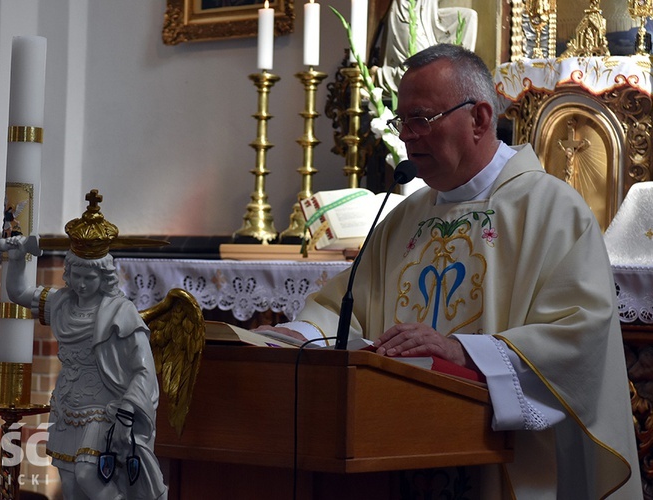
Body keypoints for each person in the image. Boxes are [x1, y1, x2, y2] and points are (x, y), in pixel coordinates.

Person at [263, 44, 642, 498]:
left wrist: (462, 351)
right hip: (394, 452)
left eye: (421, 119)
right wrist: (299, 336)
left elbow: (580, 334)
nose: (408, 136)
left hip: (505, 461)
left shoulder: (552, 211)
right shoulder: (405, 216)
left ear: (480, 118)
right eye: (402, 122)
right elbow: (345, 308)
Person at [0, 190, 168, 500]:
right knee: (71, 486)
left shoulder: (120, 311)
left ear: (104, 277)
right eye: (75, 275)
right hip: (66, 404)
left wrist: (129, 407)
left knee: (90, 475)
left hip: (103, 407)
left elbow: (144, 369)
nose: (81, 284)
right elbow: (18, 293)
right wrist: (18, 256)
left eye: (89, 277)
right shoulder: (61, 302)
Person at [374, 0, 478, 94]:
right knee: (420, 71)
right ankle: (378, 77)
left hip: (428, 11)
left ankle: (456, 80)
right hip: (408, 7)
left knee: (468, 17)